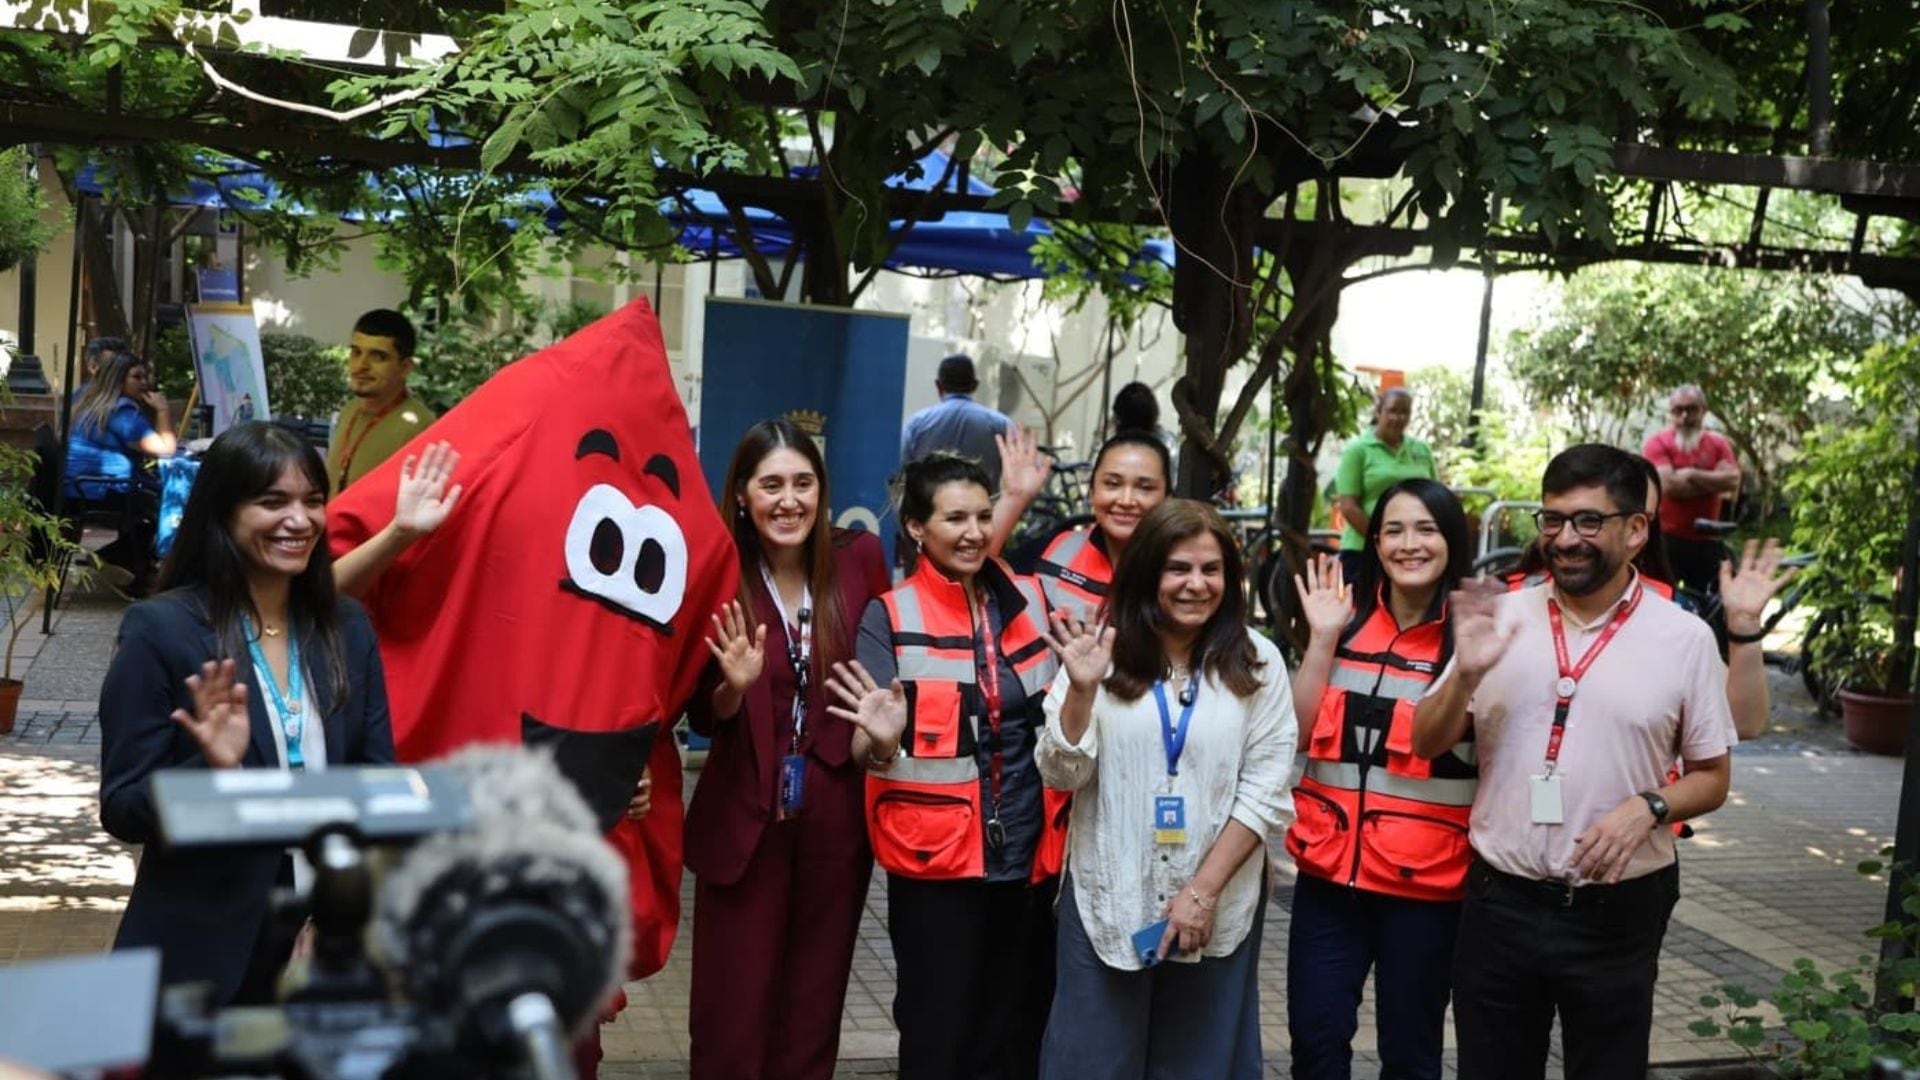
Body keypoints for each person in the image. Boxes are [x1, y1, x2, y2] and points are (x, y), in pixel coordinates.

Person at [1412, 443, 1735, 1080]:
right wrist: (1464, 674)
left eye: (1589, 521)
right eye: (1553, 520)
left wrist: (1649, 807)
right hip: (1500, 901)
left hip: (1619, 909)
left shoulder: (1684, 637)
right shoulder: (1502, 617)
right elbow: (1426, 741)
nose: (1565, 539)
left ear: (1636, 530)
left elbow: (1713, 777)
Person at [97, 422, 396, 1006]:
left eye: (312, 501)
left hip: (323, 942)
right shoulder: (161, 631)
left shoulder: (346, 627)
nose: (299, 520)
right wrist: (212, 769)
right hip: (201, 952)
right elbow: (124, 808)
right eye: (273, 502)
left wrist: (339, 914)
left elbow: (375, 783)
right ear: (223, 511)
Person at [1033, 499, 1295, 1078]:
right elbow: (1061, 774)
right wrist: (1081, 692)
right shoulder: (1098, 653)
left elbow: (1266, 791)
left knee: (1196, 1066)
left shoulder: (1260, 663)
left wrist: (1200, 893)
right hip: (1109, 895)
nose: (1196, 584)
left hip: (1219, 900)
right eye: (1178, 568)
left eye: (1211, 569)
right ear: (1148, 572)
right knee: (1091, 1065)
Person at [824, 452, 1061, 1080]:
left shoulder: (1031, 601)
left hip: (1027, 863)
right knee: (937, 1035)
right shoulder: (890, 616)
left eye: (983, 516)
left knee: (1014, 1036)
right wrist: (879, 741)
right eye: (955, 519)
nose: (974, 532)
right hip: (936, 869)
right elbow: (866, 748)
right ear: (915, 527)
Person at [683, 419, 891, 1080]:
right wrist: (732, 689)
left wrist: (884, 738)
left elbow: (883, 676)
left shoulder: (858, 560)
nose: (789, 500)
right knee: (731, 1013)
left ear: (822, 492)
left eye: (804, 483)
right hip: (745, 813)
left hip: (834, 813)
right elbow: (702, 714)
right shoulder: (718, 571)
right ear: (743, 495)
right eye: (771, 485)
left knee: (813, 1008)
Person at [1284, 478, 1476, 1080]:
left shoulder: (1470, 639)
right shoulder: (1343, 621)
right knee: (1315, 1043)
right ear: (1374, 542)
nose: (1408, 544)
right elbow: (1296, 733)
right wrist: (1321, 638)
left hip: (1426, 890)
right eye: (1393, 530)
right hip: (1328, 879)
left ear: (1452, 540)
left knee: (1411, 1055)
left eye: (1426, 529)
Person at [992, 428, 1173, 621]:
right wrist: (1014, 498)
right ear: (1091, 492)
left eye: (1145, 488)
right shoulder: (1056, 551)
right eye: (1112, 484)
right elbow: (978, 580)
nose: (1126, 500)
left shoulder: (1184, 567)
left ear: (1168, 498)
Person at [64, 349, 177, 591]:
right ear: (117, 380)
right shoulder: (121, 411)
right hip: (100, 490)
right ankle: (117, 561)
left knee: (157, 499)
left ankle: (123, 563)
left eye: (145, 376)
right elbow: (166, 449)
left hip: (77, 488)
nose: (145, 382)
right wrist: (163, 410)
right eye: (136, 377)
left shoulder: (90, 402)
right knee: (172, 508)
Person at [1641, 384, 1741, 595]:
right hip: (1666, 540)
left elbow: (1733, 481)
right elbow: (1669, 486)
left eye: (1691, 409)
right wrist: (1714, 480)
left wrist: (1691, 475)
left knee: (1714, 604)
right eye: (1678, 410)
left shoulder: (1718, 443)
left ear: (1703, 411)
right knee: (1662, 599)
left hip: (1708, 540)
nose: (1684, 416)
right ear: (1671, 413)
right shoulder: (1657, 443)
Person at [327, 308, 436, 494]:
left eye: (377, 356)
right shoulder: (349, 411)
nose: (361, 365)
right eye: (356, 352)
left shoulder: (420, 429)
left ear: (405, 367)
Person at [1332, 387, 1435, 580]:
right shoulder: (1358, 450)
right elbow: (1348, 507)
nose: (1398, 418)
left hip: (1411, 551)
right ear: (1378, 412)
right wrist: (1381, 540)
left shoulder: (1421, 449)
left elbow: (1434, 494)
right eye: (1392, 411)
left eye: (1405, 412)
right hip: (1363, 550)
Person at [899, 354, 1011, 490]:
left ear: (938, 385)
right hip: (984, 502)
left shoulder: (916, 424)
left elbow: (902, 469)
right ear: (975, 385)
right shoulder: (1002, 425)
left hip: (930, 503)